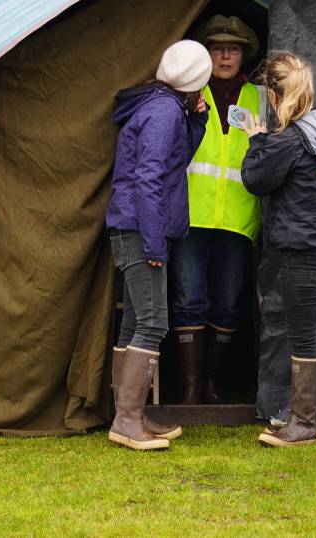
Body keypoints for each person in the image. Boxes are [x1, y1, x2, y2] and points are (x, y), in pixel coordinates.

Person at [240, 51, 316, 447]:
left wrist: (256, 142)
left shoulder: (288, 140)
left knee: (304, 336)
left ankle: (301, 425)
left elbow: (255, 179)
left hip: (303, 252)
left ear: (274, 94)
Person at [105, 40, 212, 450]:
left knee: (135, 321)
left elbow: (171, 162)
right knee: (152, 322)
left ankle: (129, 417)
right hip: (140, 230)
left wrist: (197, 123)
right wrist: (154, 245)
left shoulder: (161, 105)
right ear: (197, 82)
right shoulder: (164, 111)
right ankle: (128, 421)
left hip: (133, 227)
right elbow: (148, 179)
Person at [170, 15, 264, 404]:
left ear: (244, 54)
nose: (226, 55)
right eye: (218, 47)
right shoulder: (186, 92)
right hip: (192, 215)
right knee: (189, 298)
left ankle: (212, 383)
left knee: (228, 302)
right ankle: (190, 388)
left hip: (240, 219)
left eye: (234, 48)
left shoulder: (261, 98)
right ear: (206, 53)